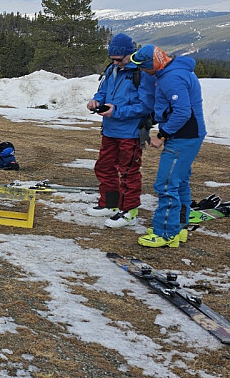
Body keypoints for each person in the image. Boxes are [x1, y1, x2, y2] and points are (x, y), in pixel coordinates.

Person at [132, 45, 206, 247]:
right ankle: (178, 228)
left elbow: (182, 113)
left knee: (166, 184)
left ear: (152, 64)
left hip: (183, 137)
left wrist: (162, 135)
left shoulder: (171, 78)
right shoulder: (173, 71)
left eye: (143, 67)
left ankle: (165, 233)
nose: (142, 71)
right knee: (180, 182)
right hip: (189, 135)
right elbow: (171, 108)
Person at [86, 33, 156, 228]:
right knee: (104, 167)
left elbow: (145, 106)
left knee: (128, 172)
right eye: (113, 59)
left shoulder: (141, 74)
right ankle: (111, 204)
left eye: (119, 59)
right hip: (110, 130)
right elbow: (103, 91)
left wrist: (116, 111)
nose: (116, 62)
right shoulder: (112, 70)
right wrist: (96, 101)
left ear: (129, 54)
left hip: (131, 133)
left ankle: (129, 210)